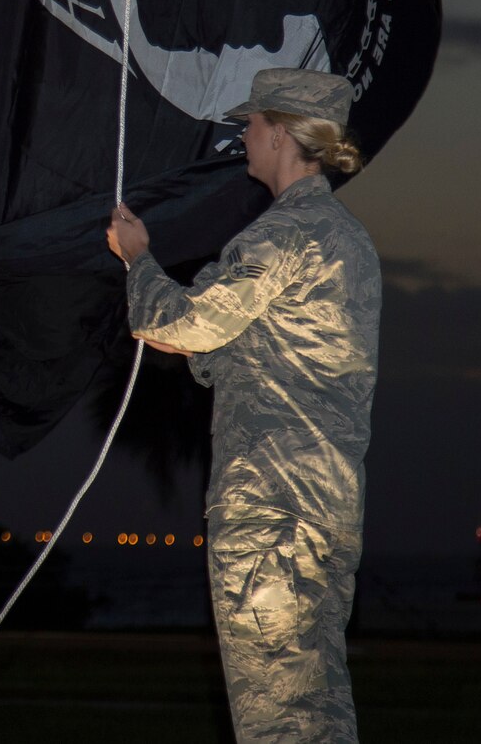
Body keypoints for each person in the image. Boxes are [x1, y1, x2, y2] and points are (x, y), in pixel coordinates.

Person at [105, 68, 379, 744]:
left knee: (279, 719)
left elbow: (187, 325)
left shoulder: (282, 235)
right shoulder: (349, 240)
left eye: (252, 123)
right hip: (324, 508)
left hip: (273, 514)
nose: (243, 134)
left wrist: (137, 260)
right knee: (315, 709)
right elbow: (244, 350)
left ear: (282, 132)